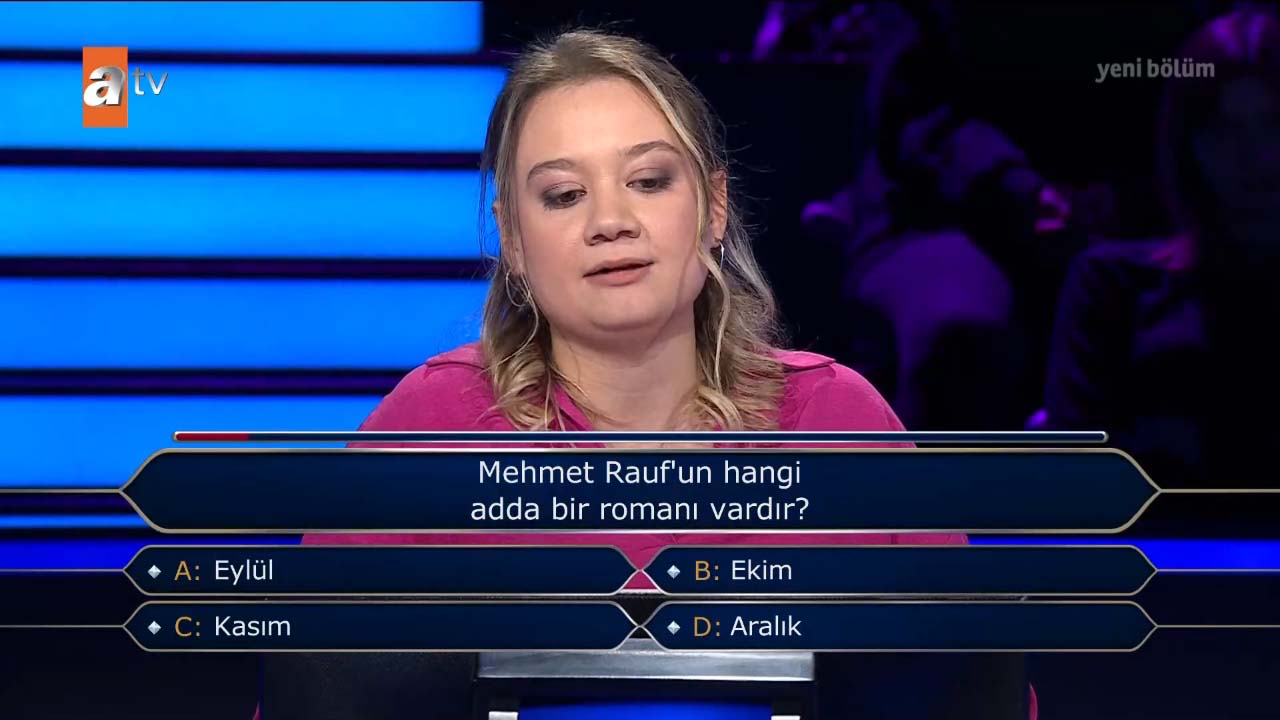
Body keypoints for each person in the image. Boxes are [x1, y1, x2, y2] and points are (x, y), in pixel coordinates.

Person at [1042, 8, 1280, 488]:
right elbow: (1071, 480)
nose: (1254, 158)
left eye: (1274, 125)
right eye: (1224, 130)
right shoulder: (1113, 287)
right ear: (1187, 144)